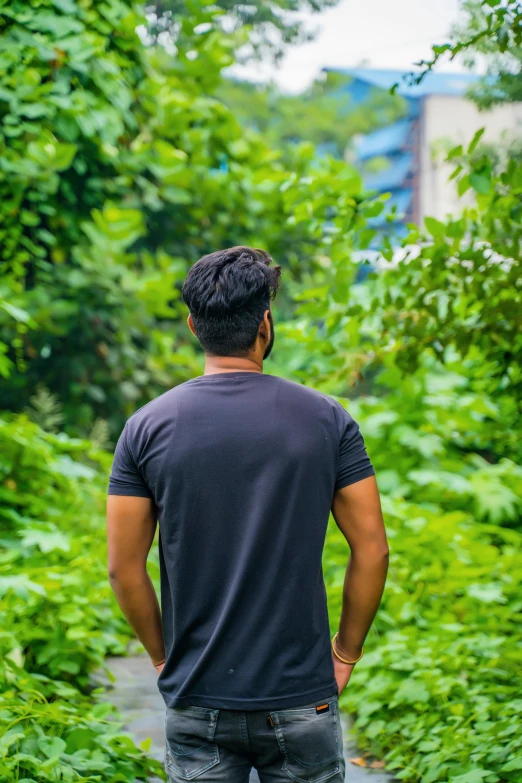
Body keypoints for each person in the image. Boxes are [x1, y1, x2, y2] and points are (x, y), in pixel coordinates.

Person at [107, 246, 389, 783]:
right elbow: (373, 549)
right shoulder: (327, 420)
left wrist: (166, 662)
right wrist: (344, 656)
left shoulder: (145, 427)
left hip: (197, 695)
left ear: (193, 326)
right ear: (265, 323)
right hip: (303, 695)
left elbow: (124, 568)